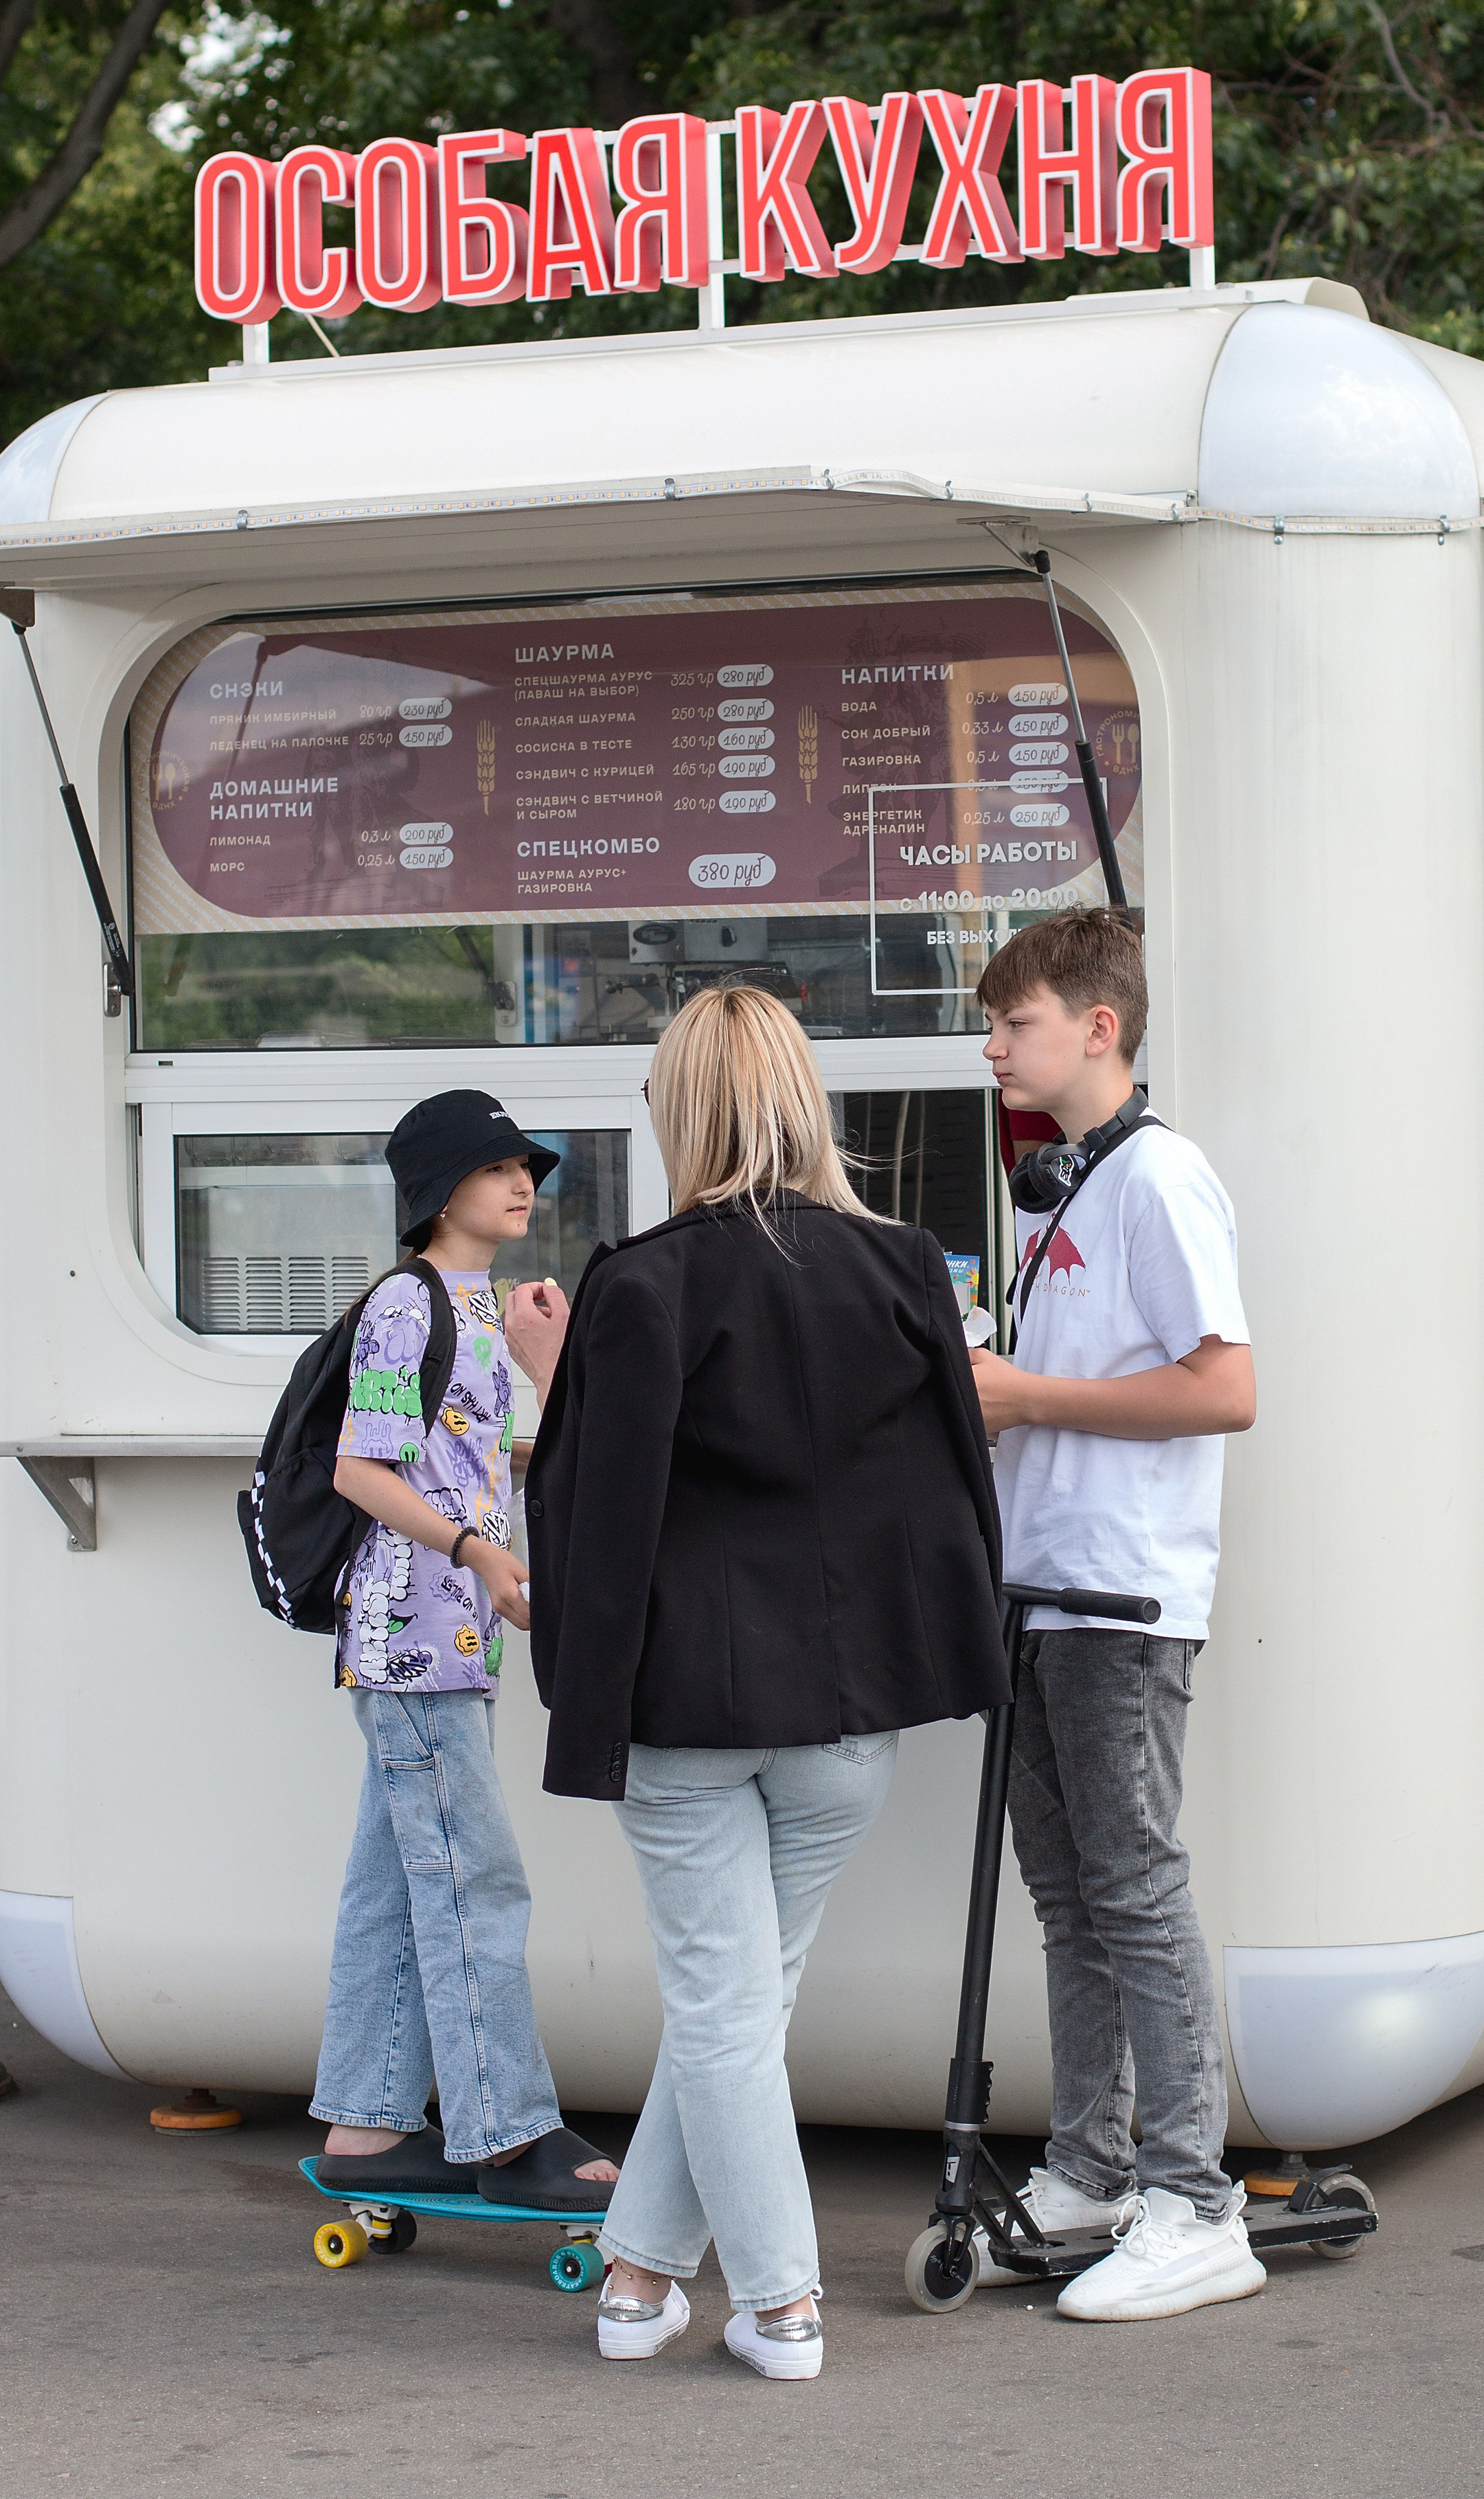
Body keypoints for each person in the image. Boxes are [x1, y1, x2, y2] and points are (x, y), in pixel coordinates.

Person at [504, 987, 1007, 2382]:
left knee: (724, 2007)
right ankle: (638, 2280)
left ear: (682, 1111)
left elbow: (599, 1519)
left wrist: (552, 1381)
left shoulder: (639, 1283)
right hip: (850, 1716)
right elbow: (949, 1488)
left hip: (685, 1716)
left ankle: (782, 2303)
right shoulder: (904, 1266)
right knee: (739, 2003)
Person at [968, 911, 1261, 2322]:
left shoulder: (1160, 1177)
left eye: (1012, 1022)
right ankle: (1091, 2168)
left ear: (1098, 1027)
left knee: (1132, 1888)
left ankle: (1196, 2203)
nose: (990, 1047)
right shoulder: (1062, 1188)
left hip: (1122, 1595)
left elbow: (1225, 1389)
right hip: (1042, 1591)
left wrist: (1028, 1395)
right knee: (1069, 1895)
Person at [308, 1089, 617, 2212]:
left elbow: (470, 1458)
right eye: (495, 1167)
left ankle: (364, 2125)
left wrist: (549, 1369)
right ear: (441, 1191)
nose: (522, 1181)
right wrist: (479, 1552)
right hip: (412, 1641)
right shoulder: (406, 1304)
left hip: (452, 1642)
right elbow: (360, 1469)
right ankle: (506, 2131)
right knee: (475, 1882)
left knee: (398, 1883)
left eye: (526, 1165)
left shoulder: (478, 1306)